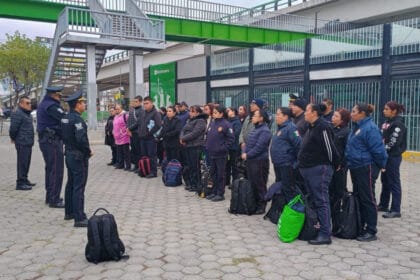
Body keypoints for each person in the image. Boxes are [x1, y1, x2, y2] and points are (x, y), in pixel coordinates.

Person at [298, 103, 340, 245]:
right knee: (315, 200)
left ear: (314, 113)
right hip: (308, 169)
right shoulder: (312, 126)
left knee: (321, 200)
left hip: (319, 169)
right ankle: (316, 227)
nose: (305, 113)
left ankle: (325, 233)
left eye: (307, 110)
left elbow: (329, 149)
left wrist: (334, 164)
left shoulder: (322, 127)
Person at [346, 103, 388, 242]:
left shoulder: (370, 128)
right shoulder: (357, 127)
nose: (351, 114)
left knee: (368, 197)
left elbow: (378, 150)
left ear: (362, 113)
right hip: (356, 166)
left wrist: (381, 165)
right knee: (359, 196)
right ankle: (361, 224)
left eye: (354, 111)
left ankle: (371, 230)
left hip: (366, 167)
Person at [61, 91, 92, 227]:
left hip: (68, 154)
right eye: (83, 102)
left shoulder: (65, 118)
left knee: (71, 184)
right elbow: (81, 139)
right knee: (79, 187)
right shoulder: (77, 120)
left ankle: (69, 212)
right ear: (78, 104)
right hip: (78, 156)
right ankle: (79, 217)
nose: (85, 104)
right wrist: (88, 151)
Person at [37, 86, 65, 208]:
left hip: (46, 140)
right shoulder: (52, 105)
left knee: (50, 169)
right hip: (52, 140)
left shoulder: (44, 104)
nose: (60, 99)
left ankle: (50, 196)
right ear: (54, 95)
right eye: (59, 96)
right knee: (56, 170)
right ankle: (54, 199)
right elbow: (64, 118)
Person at [378, 101, 407, 219]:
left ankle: (395, 209)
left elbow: (393, 142)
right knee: (385, 180)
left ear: (393, 111)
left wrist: (382, 150)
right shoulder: (387, 122)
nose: (384, 111)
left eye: (386, 109)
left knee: (394, 181)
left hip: (393, 156)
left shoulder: (398, 124)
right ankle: (383, 204)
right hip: (385, 156)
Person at [241, 109, 272, 214]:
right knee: (252, 182)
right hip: (251, 160)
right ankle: (254, 203)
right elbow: (248, 143)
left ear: (261, 118)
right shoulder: (255, 129)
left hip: (259, 161)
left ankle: (262, 204)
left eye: (255, 116)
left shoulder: (265, 131)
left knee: (260, 183)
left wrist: (248, 154)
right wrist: (244, 151)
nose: (252, 117)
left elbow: (259, 147)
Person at [270, 107, 301, 200]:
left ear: (285, 116)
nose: (276, 117)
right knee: (280, 188)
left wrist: (294, 164)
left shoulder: (291, 128)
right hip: (278, 164)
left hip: (287, 165)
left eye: (278, 114)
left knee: (288, 189)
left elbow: (299, 146)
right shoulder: (281, 128)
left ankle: (292, 212)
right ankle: (282, 210)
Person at [205, 106, 234, 202]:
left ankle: (220, 193)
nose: (214, 114)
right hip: (211, 153)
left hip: (221, 154)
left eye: (216, 112)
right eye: (213, 113)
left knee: (220, 174)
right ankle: (214, 191)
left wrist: (222, 148)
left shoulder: (226, 124)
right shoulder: (213, 123)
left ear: (221, 114)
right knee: (213, 174)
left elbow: (231, 139)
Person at [9, 96, 36, 190]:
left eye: (30, 103)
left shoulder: (27, 114)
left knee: (26, 162)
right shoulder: (18, 113)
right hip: (22, 142)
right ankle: (20, 183)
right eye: (27, 103)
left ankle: (24, 179)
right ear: (21, 104)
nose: (30, 105)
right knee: (22, 163)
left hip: (28, 142)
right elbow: (13, 128)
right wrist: (13, 138)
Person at [180, 105, 207, 192]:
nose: (190, 113)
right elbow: (183, 130)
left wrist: (184, 138)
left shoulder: (201, 121)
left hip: (196, 146)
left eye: (192, 111)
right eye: (190, 111)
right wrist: (181, 138)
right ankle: (191, 183)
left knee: (195, 167)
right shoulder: (189, 121)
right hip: (188, 146)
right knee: (190, 166)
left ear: (198, 113)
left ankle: (196, 184)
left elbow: (195, 133)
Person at [329, 108, 351, 210]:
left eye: (336, 116)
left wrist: (341, 164)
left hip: (339, 167)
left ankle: (340, 211)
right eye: (333, 115)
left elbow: (347, 151)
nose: (333, 117)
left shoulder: (346, 132)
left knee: (339, 190)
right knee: (330, 189)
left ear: (343, 120)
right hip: (330, 164)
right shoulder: (331, 129)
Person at [137, 96, 161, 178]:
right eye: (144, 104)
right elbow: (139, 123)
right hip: (142, 138)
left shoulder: (155, 113)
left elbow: (158, 125)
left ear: (151, 103)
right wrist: (140, 132)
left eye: (147, 103)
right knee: (144, 155)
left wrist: (149, 133)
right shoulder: (143, 112)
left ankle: (153, 172)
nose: (145, 105)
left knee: (152, 155)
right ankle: (145, 170)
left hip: (150, 138)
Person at [225, 107, 242, 186]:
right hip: (227, 146)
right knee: (227, 164)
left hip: (233, 147)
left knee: (234, 165)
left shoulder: (237, 122)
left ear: (233, 112)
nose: (227, 112)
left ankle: (235, 182)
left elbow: (235, 134)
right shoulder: (228, 121)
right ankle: (226, 181)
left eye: (229, 111)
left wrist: (228, 138)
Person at [126, 96, 143, 172]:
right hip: (131, 133)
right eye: (134, 101)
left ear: (140, 102)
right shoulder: (132, 110)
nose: (134, 103)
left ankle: (139, 166)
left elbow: (138, 122)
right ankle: (136, 165)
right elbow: (128, 121)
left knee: (138, 150)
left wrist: (129, 128)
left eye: (136, 101)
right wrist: (128, 129)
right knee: (133, 150)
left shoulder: (141, 111)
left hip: (137, 133)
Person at [113, 104, 131, 170]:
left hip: (124, 137)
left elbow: (128, 124)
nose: (117, 110)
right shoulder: (115, 116)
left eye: (118, 109)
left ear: (121, 109)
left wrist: (125, 131)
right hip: (117, 137)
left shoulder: (125, 115)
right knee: (119, 152)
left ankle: (128, 165)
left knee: (126, 153)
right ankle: (120, 164)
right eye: (116, 109)